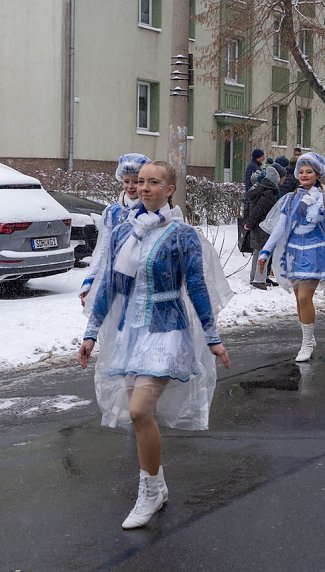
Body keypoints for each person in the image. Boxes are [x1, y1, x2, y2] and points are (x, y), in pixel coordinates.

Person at [77, 160, 232, 529]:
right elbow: (111, 289)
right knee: (138, 413)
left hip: (167, 328)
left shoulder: (182, 235)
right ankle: (157, 485)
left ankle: (147, 492)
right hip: (131, 331)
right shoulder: (122, 233)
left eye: (153, 182)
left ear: (169, 189)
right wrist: (91, 333)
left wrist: (212, 337)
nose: (144, 188)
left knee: (139, 410)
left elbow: (196, 288)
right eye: (141, 182)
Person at [258, 152, 325, 361]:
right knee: (299, 299)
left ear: (318, 175)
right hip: (294, 254)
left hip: (317, 253)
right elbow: (280, 228)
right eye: (301, 171)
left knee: (304, 297)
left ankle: (307, 343)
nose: (304, 175)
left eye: (309, 172)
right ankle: (308, 336)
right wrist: (266, 251)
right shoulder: (290, 199)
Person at [79, 153, 151, 303]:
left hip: (144, 283)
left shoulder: (153, 210)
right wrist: (91, 280)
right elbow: (102, 249)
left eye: (136, 181)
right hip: (115, 280)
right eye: (126, 181)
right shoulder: (113, 212)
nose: (130, 186)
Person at [244, 165, 281, 289]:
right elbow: (258, 211)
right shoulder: (268, 194)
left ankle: (255, 277)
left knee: (257, 253)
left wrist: (250, 223)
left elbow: (254, 210)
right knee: (263, 253)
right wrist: (250, 223)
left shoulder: (260, 189)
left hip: (257, 227)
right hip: (262, 228)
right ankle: (259, 280)